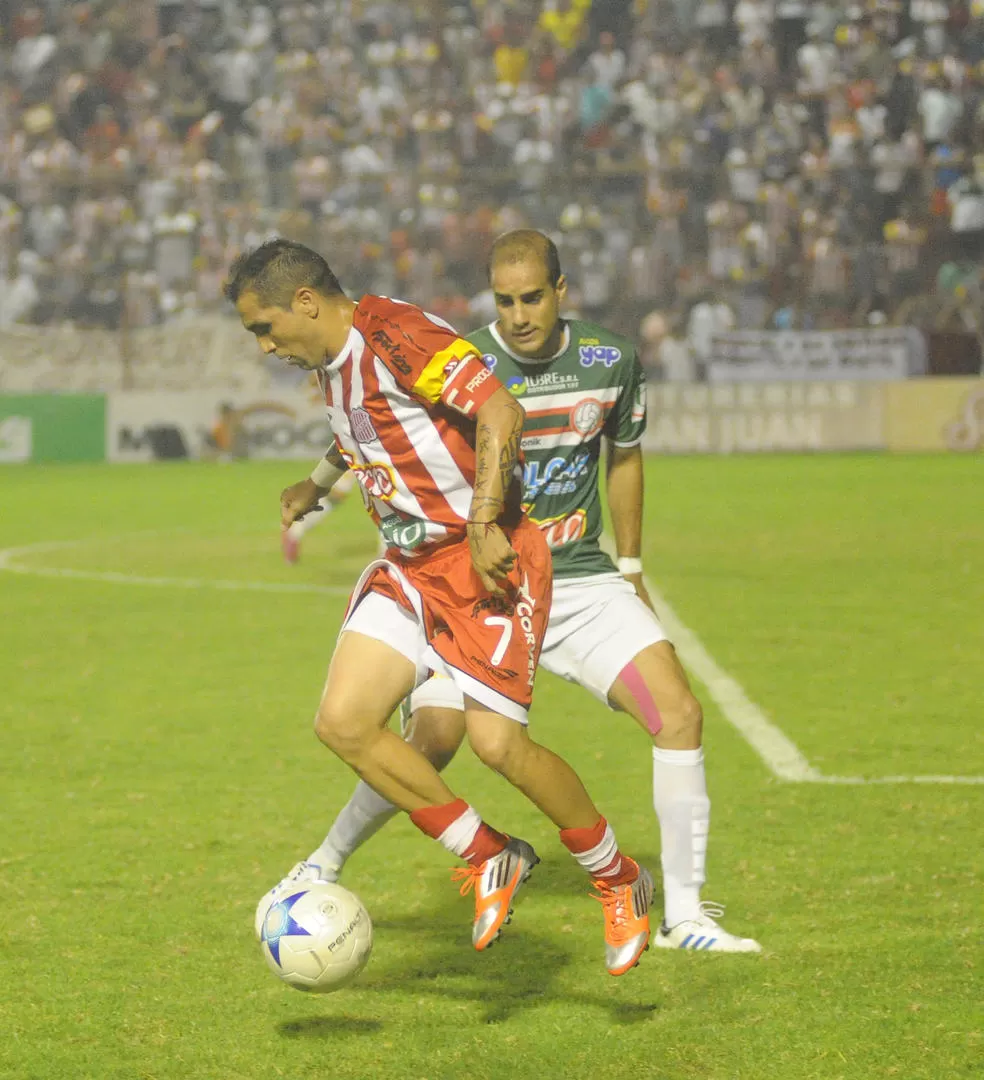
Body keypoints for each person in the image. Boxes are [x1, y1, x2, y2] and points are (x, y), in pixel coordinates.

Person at [300, 230, 761, 952]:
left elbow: (626, 457)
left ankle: (685, 912)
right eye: (505, 300)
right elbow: (372, 423)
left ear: (561, 291)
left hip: (566, 574)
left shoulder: (609, 360)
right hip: (467, 573)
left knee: (674, 713)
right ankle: (327, 861)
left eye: (532, 297)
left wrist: (632, 569)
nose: (518, 314)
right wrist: (321, 484)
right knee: (433, 738)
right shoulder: (460, 356)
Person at [225, 238, 653, 976]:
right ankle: (491, 854)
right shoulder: (327, 361)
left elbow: (499, 410)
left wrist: (486, 520)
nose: (266, 346)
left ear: (303, 302)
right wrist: (318, 483)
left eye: (264, 328)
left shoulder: (394, 334)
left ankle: (620, 879)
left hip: (483, 561)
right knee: (343, 722)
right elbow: (366, 430)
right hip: (409, 567)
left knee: (498, 748)